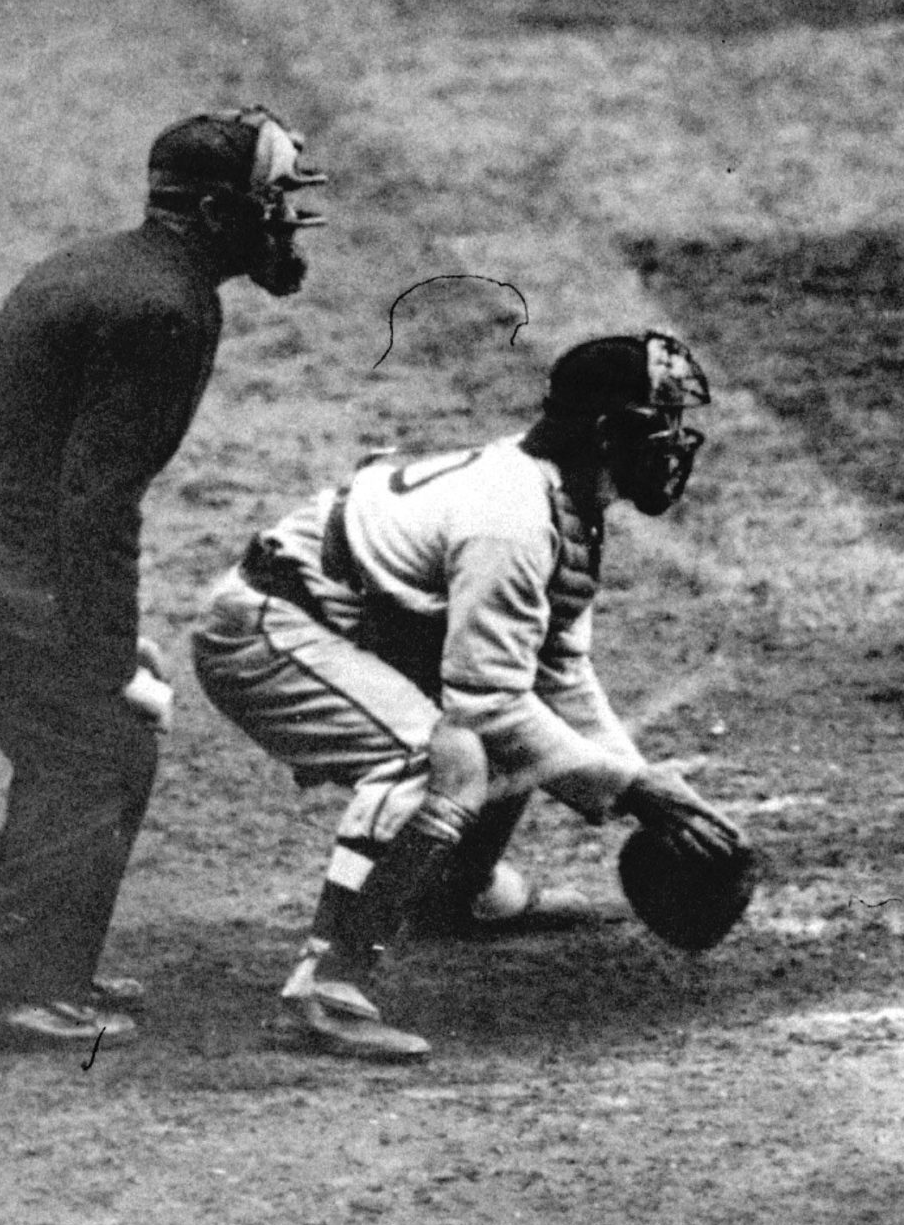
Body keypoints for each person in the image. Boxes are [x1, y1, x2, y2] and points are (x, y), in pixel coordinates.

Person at [0, 106, 327, 1054]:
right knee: (92, 736)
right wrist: (96, 649)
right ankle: (2, 997)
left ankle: (44, 971)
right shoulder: (165, 309)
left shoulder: (120, 268)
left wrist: (84, 635)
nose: (287, 221)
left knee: (104, 729)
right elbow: (97, 503)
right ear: (218, 212)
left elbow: (46, 484)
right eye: (271, 201)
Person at [192, 331, 746, 1062]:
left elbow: (556, 676)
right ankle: (323, 992)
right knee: (447, 756)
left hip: (335, 624)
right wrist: (637, 792)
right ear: (610, 432)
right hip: (264, 632)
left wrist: (646, 790)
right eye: (661, 422)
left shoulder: (564, 501)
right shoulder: (511, 521)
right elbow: (488, 705)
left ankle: (453, 892)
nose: (675, 443)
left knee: (510, 718)